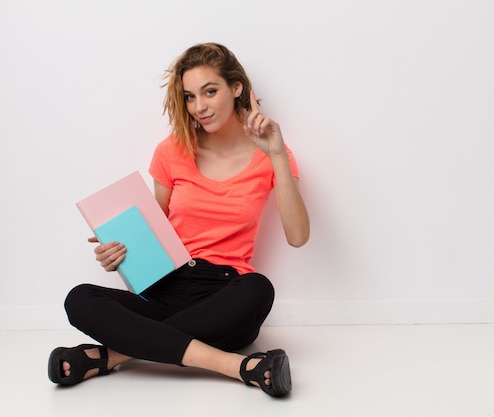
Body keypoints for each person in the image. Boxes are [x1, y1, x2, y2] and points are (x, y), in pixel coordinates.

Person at [47, 42, 310, 397]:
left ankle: (110, 357)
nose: (198, 106)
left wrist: (277, 154)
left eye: (210, 91)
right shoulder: (171, 150)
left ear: (237, 89)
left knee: (259, 289)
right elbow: (157, 228)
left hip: (225, 294)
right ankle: (238, 366)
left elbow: (297, 236)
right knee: (79, 299)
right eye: (189, 96)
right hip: (166, 284)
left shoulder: (272, 155)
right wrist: (120, 254)